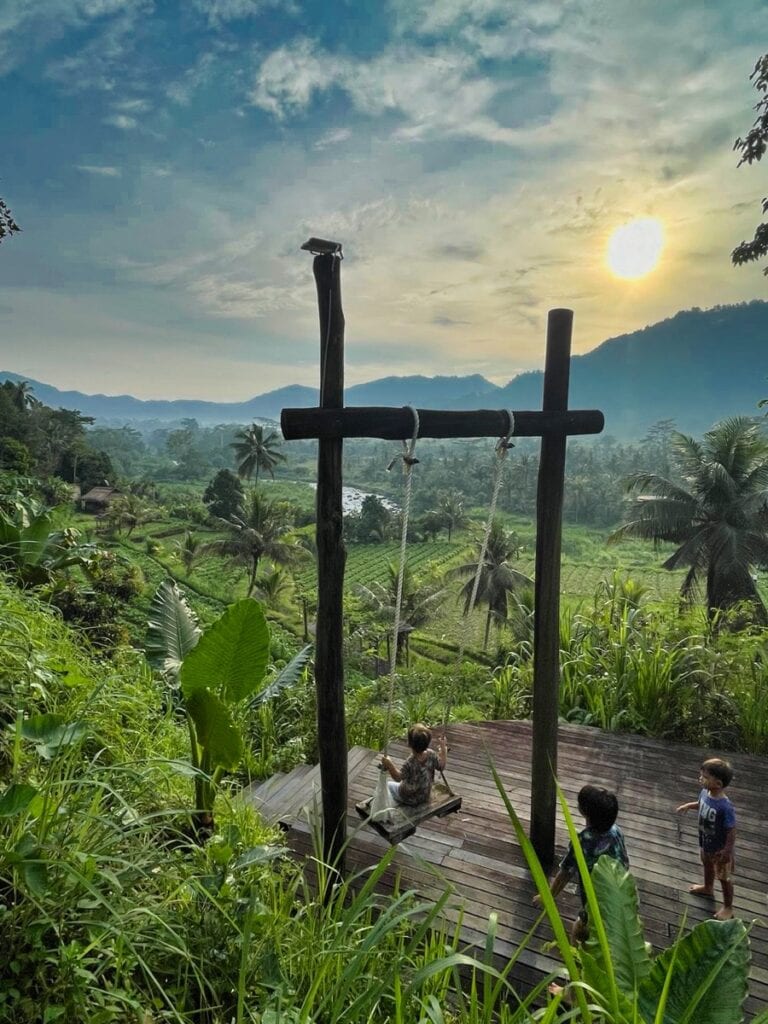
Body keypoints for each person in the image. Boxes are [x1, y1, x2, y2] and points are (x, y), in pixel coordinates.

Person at [533, 784, 629, 944]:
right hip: (622, 896)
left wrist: (547, 898)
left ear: (584, 811)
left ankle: (577, 960)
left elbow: (565, 873)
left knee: (580, 931)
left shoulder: (583, 841)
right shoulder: (616, 831)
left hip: (597, 901)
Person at [676, 757, 736, 920]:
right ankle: (708, 887)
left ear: (718, 784)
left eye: (705, 777)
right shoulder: (705, 792)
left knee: (724, 878)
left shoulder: (725, 806)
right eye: (701, 775)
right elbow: (701, 803)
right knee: (707, 865)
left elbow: (731, 830)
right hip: (705, 841)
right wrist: (689, 805)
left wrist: (727, 851)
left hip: (720, 849)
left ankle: (728, 907)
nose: (700, 779)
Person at [381, 723, 447, 806]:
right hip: (425, 795)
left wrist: (389, 764)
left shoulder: (410, 762)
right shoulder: (431, 754)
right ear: (428, 743)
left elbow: (398, 777)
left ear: (409, 743)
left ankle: (393, 804)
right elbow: (441, 766)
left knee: (388, 785)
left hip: (409, 798)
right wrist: (443, 749)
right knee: (403, 785)